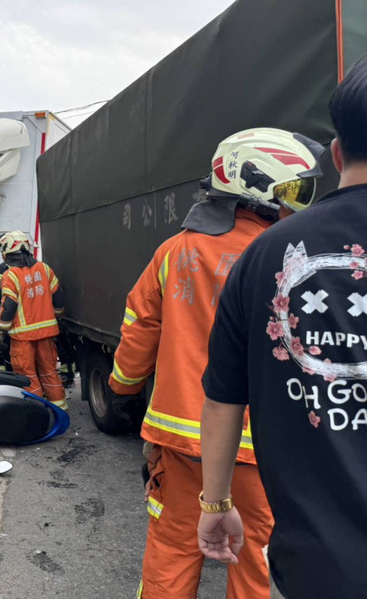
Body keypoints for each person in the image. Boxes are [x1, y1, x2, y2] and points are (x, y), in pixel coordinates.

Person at [109, 128, 325, 598]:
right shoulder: (295, 257)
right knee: (258, 566)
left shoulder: (174, 252)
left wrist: (121, 388)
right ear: (264, 185)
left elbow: (140, 332)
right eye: (294, 190)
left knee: (172, 551)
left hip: (184, 439)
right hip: (270, 448)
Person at [199, 64, 367, 599]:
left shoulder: (265, 255)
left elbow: (223, 399)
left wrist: (216, 504)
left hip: (320, 570)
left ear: (337, 152)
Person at [0, 230, 67, 408]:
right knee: (50, 372)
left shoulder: (10, 275)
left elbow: (9, 306)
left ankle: (37, 412)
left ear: (7, 251)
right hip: (47, 333)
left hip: (23, 337)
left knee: (27, 376)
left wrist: (2, 328)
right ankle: (60, 408)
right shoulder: (44, 269)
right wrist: (57, 315)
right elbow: (58, 296)